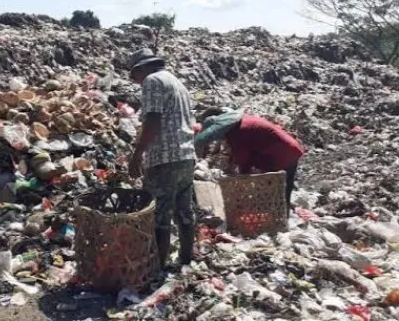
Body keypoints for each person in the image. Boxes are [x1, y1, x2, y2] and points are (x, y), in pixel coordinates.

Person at [127, 48, 197, 269]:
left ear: (141, 68)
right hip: (186, 156)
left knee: (160, 214)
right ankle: (186, 259)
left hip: (164, 159)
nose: (136, 81)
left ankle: (158, 266)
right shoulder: (178, 83)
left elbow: (153, 121)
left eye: (134, 75)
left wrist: (137, 156)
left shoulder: (152, 81)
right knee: (184, 210)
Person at [195, 110, 305, 213]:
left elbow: (243, 157)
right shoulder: (240, 123)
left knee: (277, 188)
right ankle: (279, 216)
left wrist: (238, 176)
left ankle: (276, 217)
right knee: (282, 187)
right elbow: (240, 154)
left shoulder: (239, 132)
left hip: (282, 152)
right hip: (288, 148)